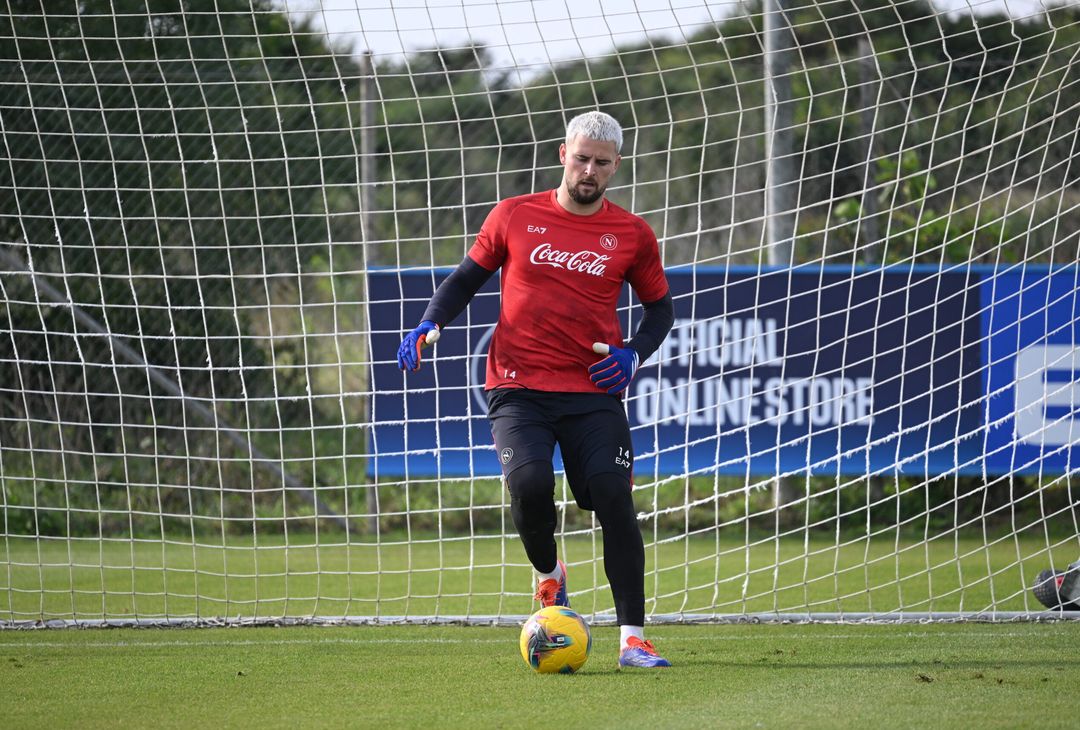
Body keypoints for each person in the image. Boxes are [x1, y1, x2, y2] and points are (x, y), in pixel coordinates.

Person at [397, 111, 675, 668]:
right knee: (527, 484)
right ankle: (550, 578)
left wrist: (633, 354)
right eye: (581, 158)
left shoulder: (632, 234)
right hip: (517, 386)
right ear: (562, 154)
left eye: (601, 162)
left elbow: (660, 310)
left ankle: (633, 639)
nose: (589, 170)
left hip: (593, 392)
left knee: (613, 498)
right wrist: (431, 322)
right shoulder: (514, 214)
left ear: (616, 166)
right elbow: (464, 280)